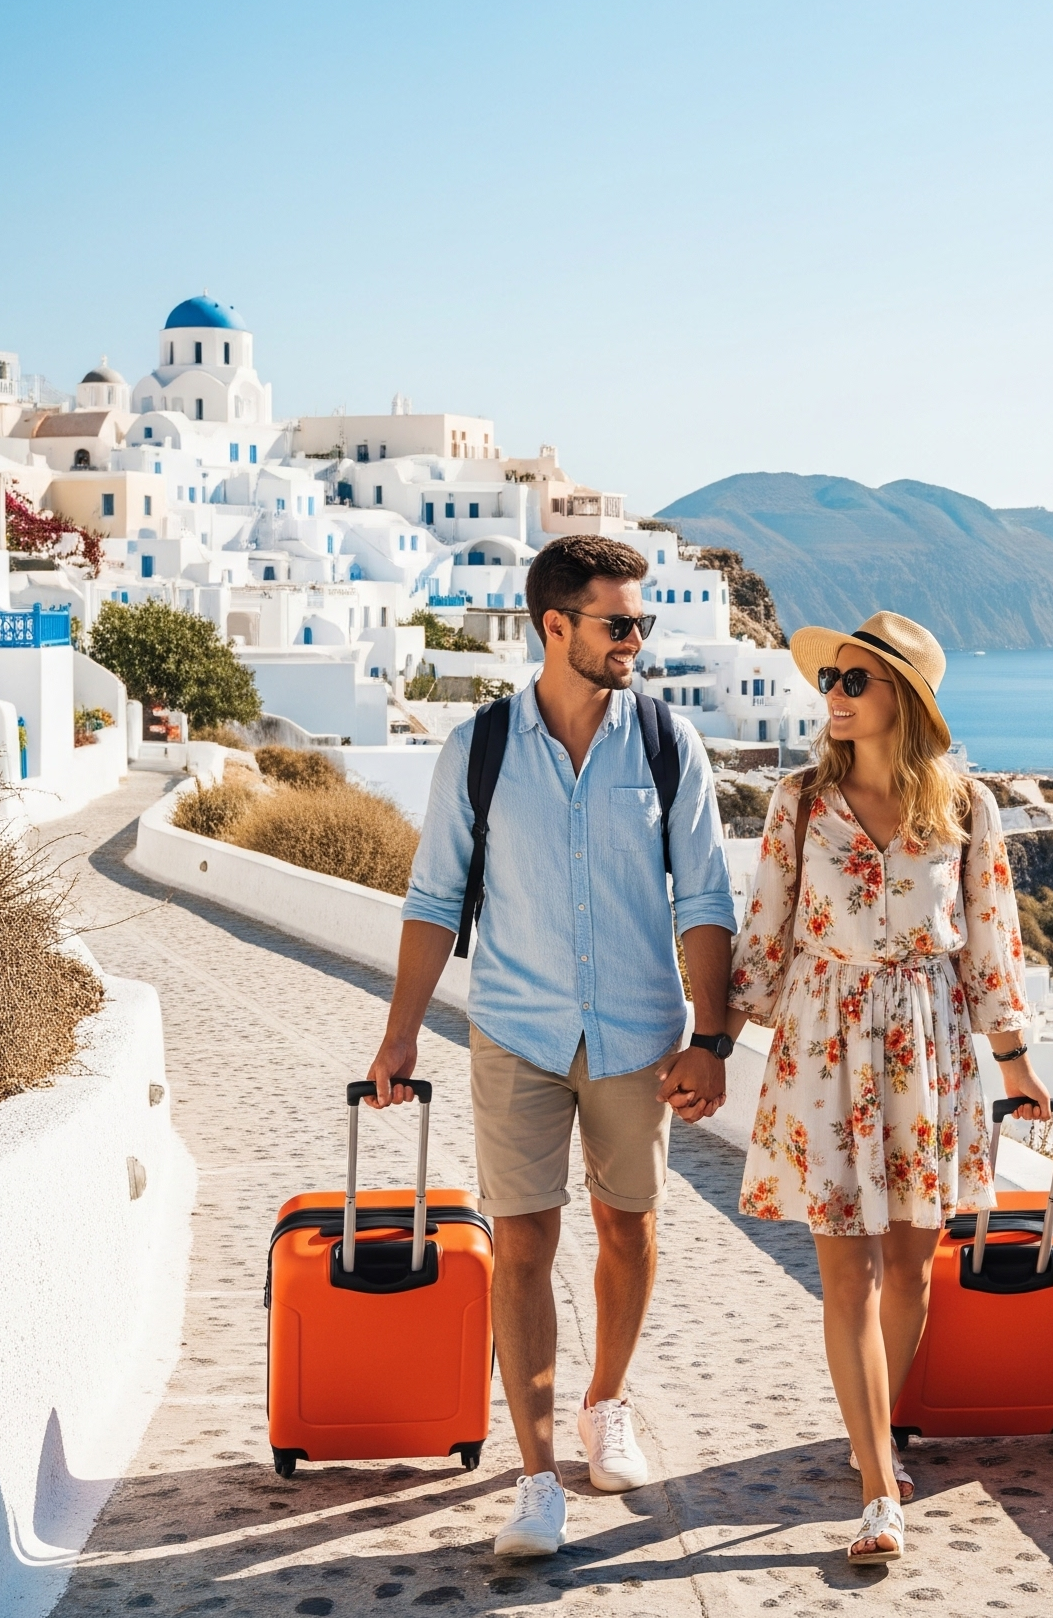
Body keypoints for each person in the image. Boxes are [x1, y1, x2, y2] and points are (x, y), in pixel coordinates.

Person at [361, 535, 738, 1558]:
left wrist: (712, 1036)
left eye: (641, 623)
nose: (636, 641)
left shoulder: (665, 744)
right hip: (516, 1032)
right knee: (521, 1242)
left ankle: (604, 1402)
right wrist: (398, 1038)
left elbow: (704, 895)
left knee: (628, 1228)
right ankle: (534, 1476)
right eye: (619, 623)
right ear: (554, 625)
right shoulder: (476, 749)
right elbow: (435, 897)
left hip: (635, 1037)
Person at [723, 611, 1051, 1565]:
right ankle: (879, 1489)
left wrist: (1016, 1059)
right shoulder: (796, 801)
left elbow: (992, 936)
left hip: (928, 1049)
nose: (833, 695)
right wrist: (715, 1044)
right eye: (831, 679)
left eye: (854, 682)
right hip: (825, 1045)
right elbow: (765, 935)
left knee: (910, 1269)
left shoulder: (967, 809)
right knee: (848, 1277)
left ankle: (871, 1434)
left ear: (901, 700)